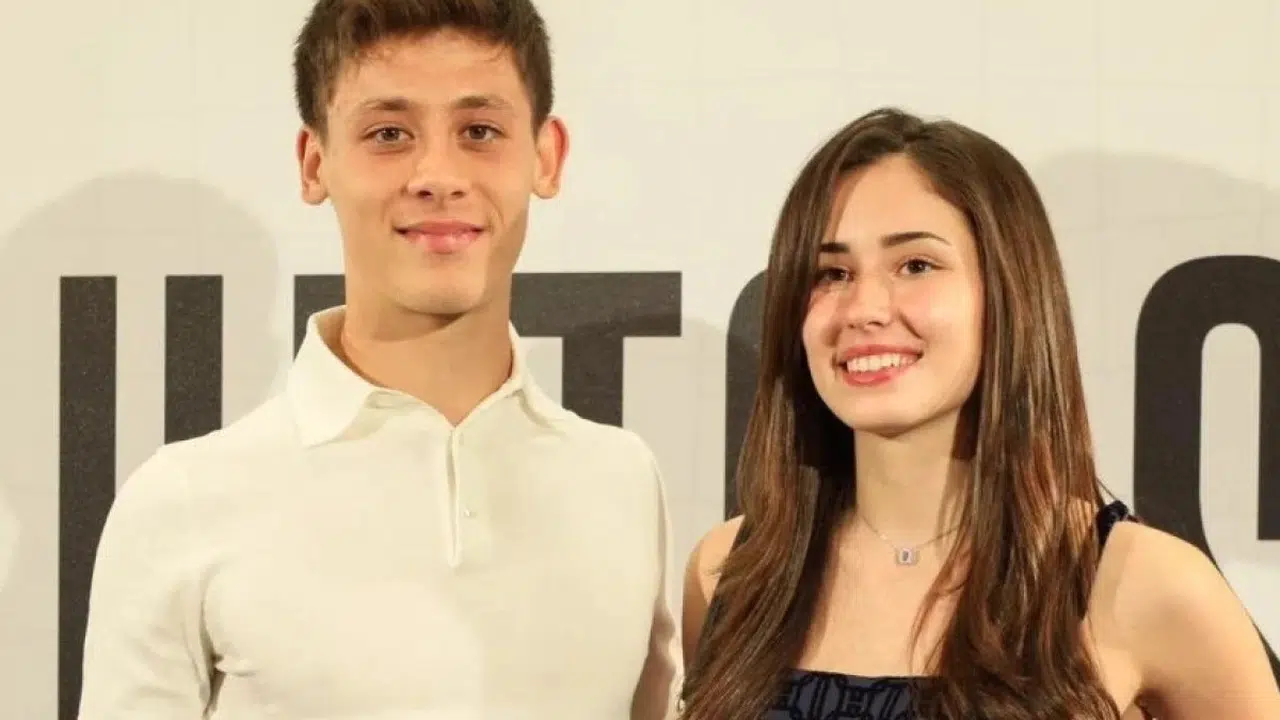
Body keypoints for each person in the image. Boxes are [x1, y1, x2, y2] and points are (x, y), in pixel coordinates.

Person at [77, 1, 679, 718]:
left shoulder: (622, 479)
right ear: (315, 164)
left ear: (546, 157)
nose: (438, 175)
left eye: (479, 131)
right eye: (388, 134)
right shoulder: (183, 500)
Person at [679, 107, 1280, 719]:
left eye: (915, 265)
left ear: (1009, 291)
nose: (863, 309)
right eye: (832, 273)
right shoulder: (731, 573)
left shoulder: (1144, 583)